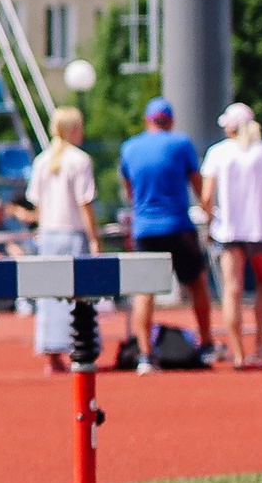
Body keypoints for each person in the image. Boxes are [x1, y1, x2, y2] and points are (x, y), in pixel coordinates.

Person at [117, 97, 213, 371]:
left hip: (145, 228)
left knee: (144, 292)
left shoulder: (129, 147)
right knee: (196, 283)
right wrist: (209, 214)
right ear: (169, 121)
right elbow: (198, 185)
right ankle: (206, 344)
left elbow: (129, 191)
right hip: (178, 225)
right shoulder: (181, 143)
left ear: (148, 120)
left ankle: (146, 355)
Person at [202, 103, 262, 369]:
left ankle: (238, 353)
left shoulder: (217, 153)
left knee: (232, 289)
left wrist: (210, 219)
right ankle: (259, 344)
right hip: (259, 228)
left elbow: (206, 196)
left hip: (229, 230)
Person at [28, 107, 101, 373]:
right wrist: (94, 238)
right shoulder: (80, 160)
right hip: (73, 234)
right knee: (80, 295)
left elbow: (37, 204)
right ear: (72, 129)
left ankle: (51, 351)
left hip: (48, 234)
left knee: (49, 295)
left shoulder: (42, 160)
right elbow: (85, 203)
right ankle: (79, 348)